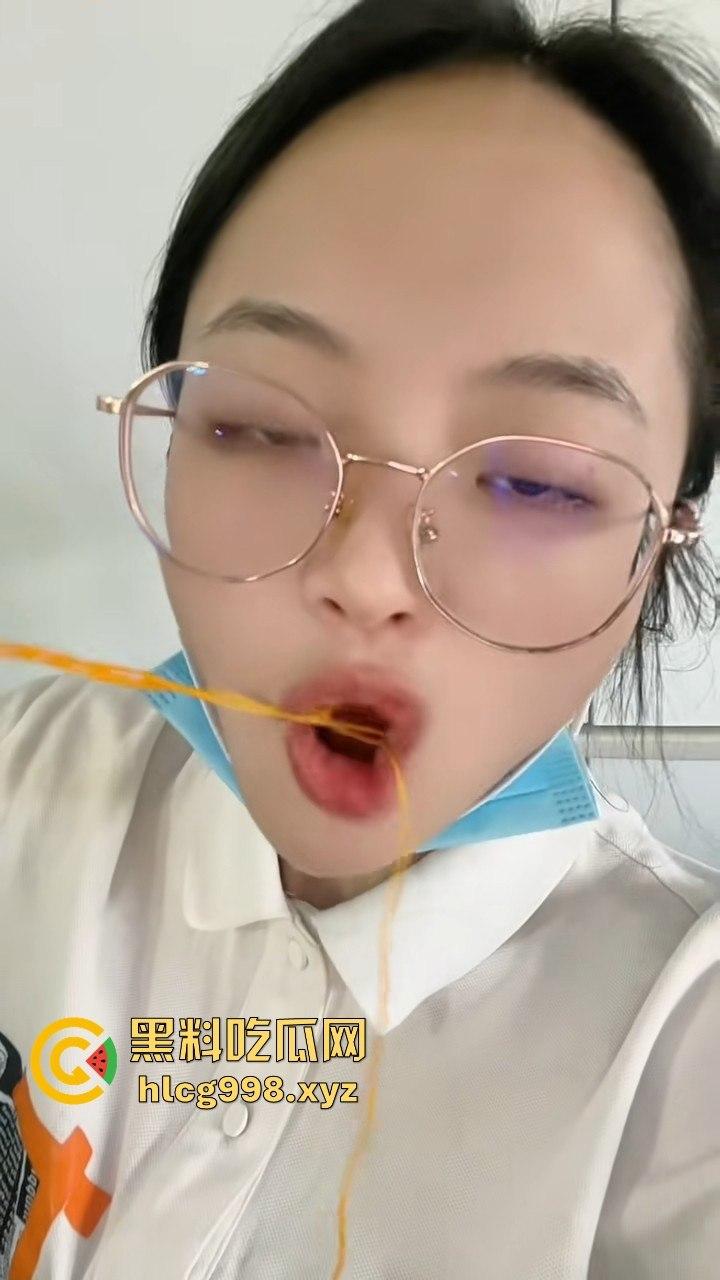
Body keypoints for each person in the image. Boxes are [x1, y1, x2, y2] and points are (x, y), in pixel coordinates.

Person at [1, 1, 719, 1276]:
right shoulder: (24, 778)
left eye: (537, 483)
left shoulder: (682, 1059)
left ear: (663, 546)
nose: (362, 575)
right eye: (262, 427)